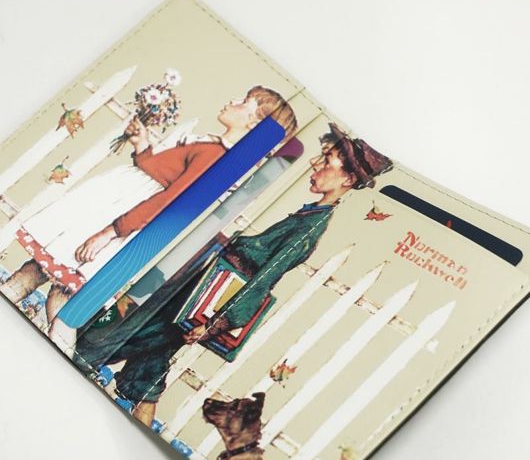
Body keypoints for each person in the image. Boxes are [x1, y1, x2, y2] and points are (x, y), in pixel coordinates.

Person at [73, 123, 393, 427]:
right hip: (194, 291)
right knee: (146, 375)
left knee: (113, 338)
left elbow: (263, 278)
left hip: (201, 304)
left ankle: (77, 358)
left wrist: (216, 323)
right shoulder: (309, 215)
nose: (315, 164)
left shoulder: (309, 228)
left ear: (347, 179)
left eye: (328, 161)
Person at [0, 85, 297, 351]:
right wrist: (142, 146)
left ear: (254, 124)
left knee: (57, 283)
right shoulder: (211, 145)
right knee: (51, 276)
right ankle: (54, 338)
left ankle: (58, 344)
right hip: (115, 208)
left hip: (119, 215)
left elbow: (168, 200)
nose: (232, 100)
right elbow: (161, 172)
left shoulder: (216, 157)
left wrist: (109, 232)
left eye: (243, 102)